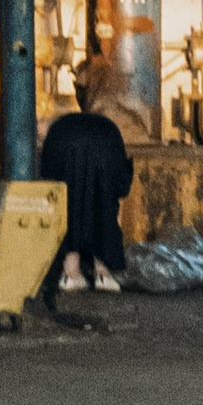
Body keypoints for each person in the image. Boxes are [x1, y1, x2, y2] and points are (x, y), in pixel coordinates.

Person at [42, 62, 134, 294]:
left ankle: (69, 273)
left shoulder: (60, 126)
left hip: (63, 145)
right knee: (106, 206)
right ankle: (103, 274)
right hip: (105, 149)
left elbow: (47, 174)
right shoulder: (110, 129)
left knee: (66, 208)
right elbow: (120, 187)